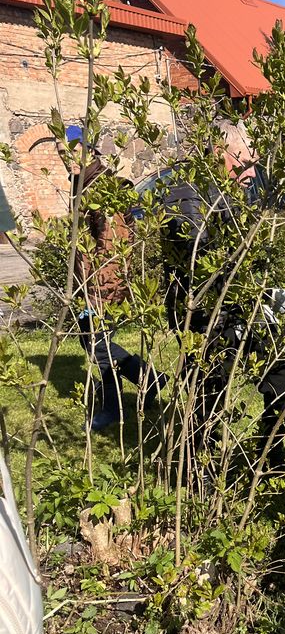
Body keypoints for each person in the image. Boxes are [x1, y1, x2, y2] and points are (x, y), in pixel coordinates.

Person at [160, 151, 285, 466]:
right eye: (246, 161)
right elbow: (200, 260)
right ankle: (198, 471)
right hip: (204, 318)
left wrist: (264, 292)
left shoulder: (227, 190)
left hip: (239, 309)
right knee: (207, 397)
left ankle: (268, 456)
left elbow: (241, 257)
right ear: (221, 152)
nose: (252, 171)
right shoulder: (187, 191)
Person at [65, 127, 163, 430]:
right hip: (88, 285)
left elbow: (113, 248)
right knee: (92, 341)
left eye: (73, 151)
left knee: (97, 344)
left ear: (90, 151)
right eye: (64, 153)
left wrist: (96, 291)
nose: (68, 159)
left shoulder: (103, 189)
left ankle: (114, 407)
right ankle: (148, 378)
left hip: (100, 286)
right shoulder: (83, 185)